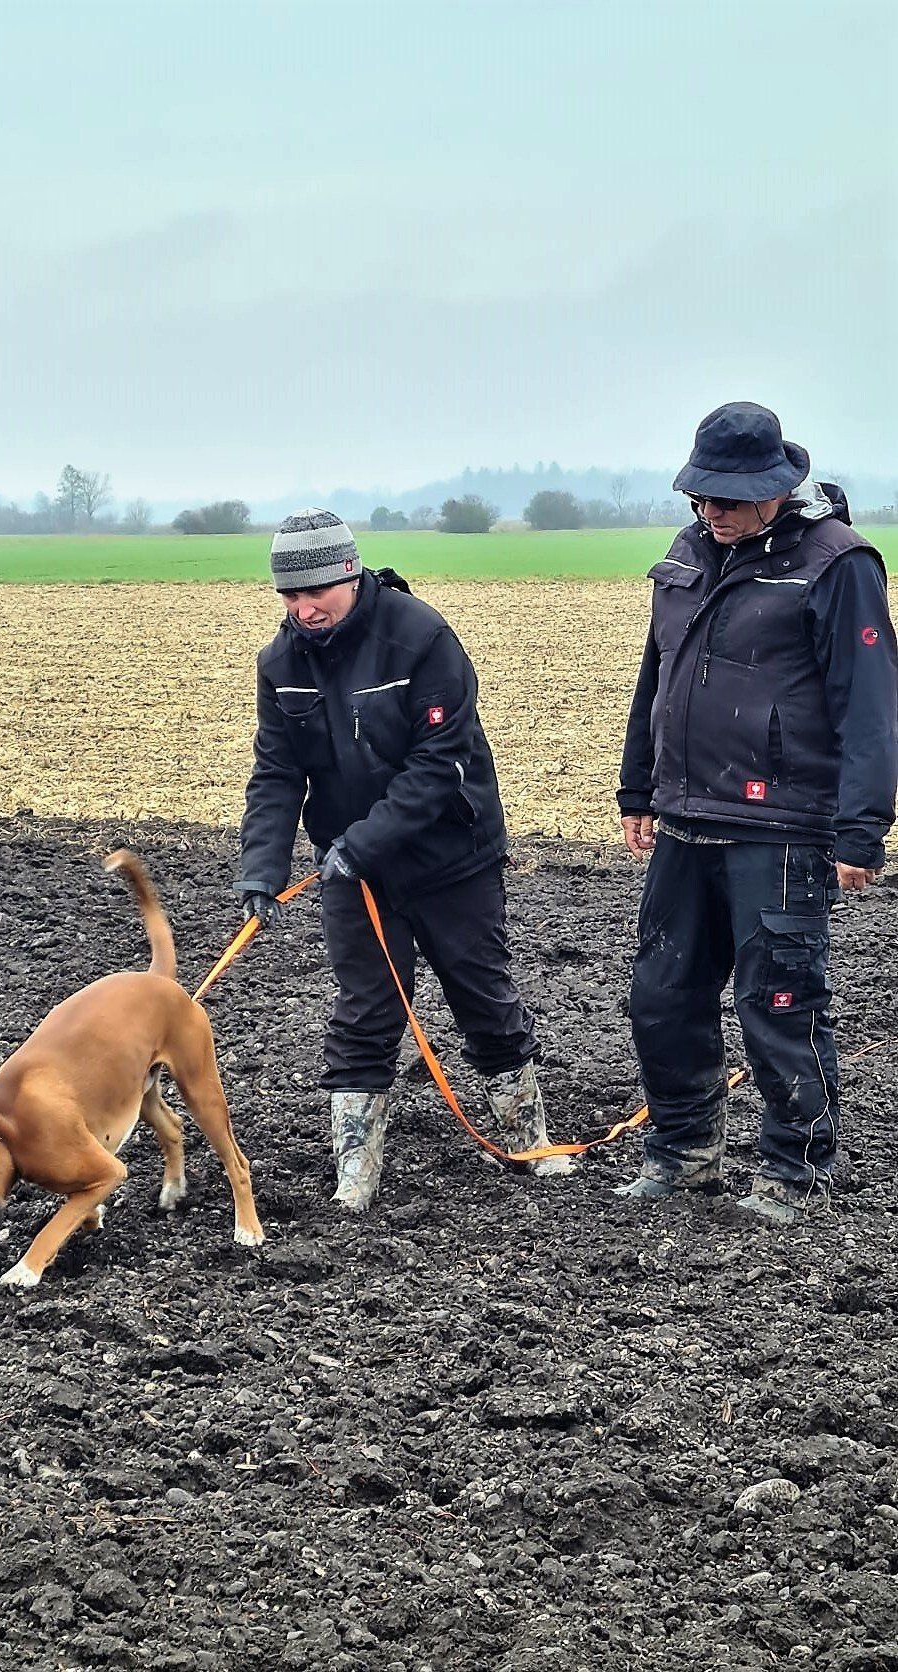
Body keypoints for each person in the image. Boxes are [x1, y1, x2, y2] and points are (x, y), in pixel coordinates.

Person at [236, 506, 570, 1211]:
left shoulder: (420, 638)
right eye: (289, 595)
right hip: (352, 872)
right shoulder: (280, 665)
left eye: (315, 591)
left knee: (482, 996)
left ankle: (531, 1141)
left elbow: (438, 765)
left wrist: (360, 844)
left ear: (350, 573)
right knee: (365, 1012)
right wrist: (262, 869)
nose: (302, 608)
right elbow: (276, 773)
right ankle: (355, 1178)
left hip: (450, 857)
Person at [617, 402, 897, 1221]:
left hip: (780, 827)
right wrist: (638, 788)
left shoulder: (837, 564)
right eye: (702, 496)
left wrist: (862, 829)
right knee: (662, 996)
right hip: (684, 816)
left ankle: (795, 1173)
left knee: (778, 1002)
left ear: (778, 487)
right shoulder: (685, 554)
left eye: (731, 499)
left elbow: (871, 706)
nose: (714, 511)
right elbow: (657, 677)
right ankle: (682, 1155)